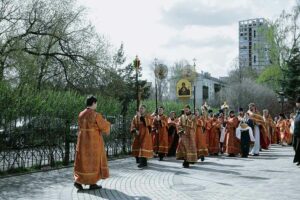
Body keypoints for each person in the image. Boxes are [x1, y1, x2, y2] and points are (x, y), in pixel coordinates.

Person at [74, 96, 111, 190]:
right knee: (93, 163)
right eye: (96, 103)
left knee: (82, 163)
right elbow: (104, 126)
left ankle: (78, 181)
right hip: (93, 143)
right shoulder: (95, 115)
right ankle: (92, 183)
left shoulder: (81, 114)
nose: (96, 105)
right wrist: (108, 123)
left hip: (82, 143)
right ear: (93, 103)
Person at [293, 96, 300, 166]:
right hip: (296, 132)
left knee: (298, 147)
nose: (296, 104)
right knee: (294, 145)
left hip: (299, 133)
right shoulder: (298, 111)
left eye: (297, 103)